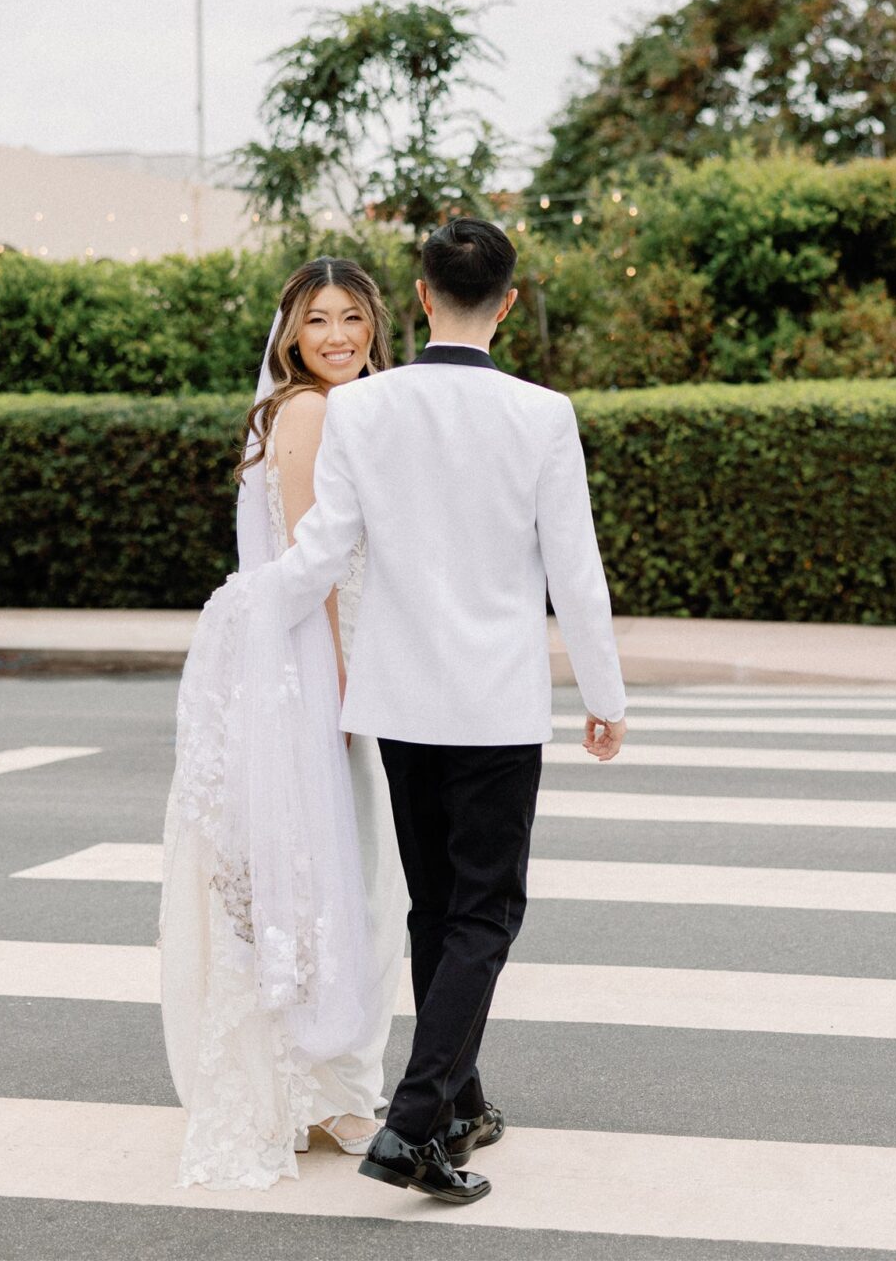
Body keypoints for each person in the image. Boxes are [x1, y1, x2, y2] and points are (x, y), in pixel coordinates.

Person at [273, 217, 629, 1206]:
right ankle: (415, 1121)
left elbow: (320, 548)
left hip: (399, 698)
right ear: (505, 302)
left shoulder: (366, 408)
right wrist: (604, 695)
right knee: (486, 912)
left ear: (421, 296)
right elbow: (576, 571)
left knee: (439, 908)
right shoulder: (542, 414)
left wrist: (247, 607)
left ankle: (456, 1098)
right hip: (496, 705)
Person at [159, 257, 408, 1190]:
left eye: (351, 317)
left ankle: (324, 1084)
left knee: (314, 878)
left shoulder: (337, 407)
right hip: (314, 675)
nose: (338, 336)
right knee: (344, 880)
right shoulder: (310, 411)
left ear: (375, 325)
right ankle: (336, 1091)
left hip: (307, 668)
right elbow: (317, 574)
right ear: (291, 338)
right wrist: (349, 701)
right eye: (318, 322)